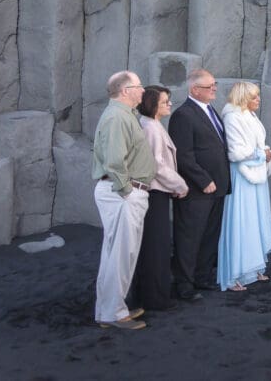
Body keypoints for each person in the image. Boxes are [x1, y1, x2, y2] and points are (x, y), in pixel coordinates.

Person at [91, 71, 156, 330]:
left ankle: (110, 309)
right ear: (126, 90)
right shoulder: (118, 117)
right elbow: (115, 161)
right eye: (140, 87)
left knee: (117, 255)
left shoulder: (122, 115)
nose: (143, 92)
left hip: (122, 193)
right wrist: (128, 191)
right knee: (121, 255)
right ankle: (113, 314)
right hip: (122, 195)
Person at [169, 69, 232, 300]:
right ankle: (184, 285)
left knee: (209, 235)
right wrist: (203, 180)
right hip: (197, 189)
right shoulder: (183, 115)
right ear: (194, 89)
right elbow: (183, 155)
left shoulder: (209, 110)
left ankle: (202, 276)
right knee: (189, 237)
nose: (214, 88)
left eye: (214, 84)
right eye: (209, 86)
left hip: (218, 186)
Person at [132, 86, 188, 312]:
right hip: (155, 194)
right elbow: (157, 166)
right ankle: (156, 298)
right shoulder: (151, 128)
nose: (169, 104)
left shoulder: (150, 125)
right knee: (156, 247)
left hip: (156, 192)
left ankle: (151, 295)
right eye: (165, 101)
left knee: (154, 246)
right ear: (152, 104)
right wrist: (179, 184)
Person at [217, 82, 271, 291]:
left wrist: (265, 153)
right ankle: (235, 273)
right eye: (254, 97)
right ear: (243, 98)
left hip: (257, 174)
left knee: (257, 220)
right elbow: (235, 153)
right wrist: (263, 155)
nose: (258, 100)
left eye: (258, 96)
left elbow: (258, 144)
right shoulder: (232, 117)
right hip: (242, 177)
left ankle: (254, 267)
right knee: (241, 221)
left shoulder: (251, 116)